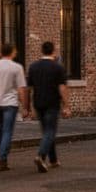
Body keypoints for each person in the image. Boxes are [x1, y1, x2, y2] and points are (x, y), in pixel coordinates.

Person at [0, 43, 29, 171]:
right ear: (12, 52)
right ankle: (2, 157)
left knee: (1, 129)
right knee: (7, 131)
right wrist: (25, 106)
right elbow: (21, 89)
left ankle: (3, 155)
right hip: (10, 104)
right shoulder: (16, 67)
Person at [27, 40, 70, 172]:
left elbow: (28, 88)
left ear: (42, 51)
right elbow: (62, 88)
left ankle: (53, 160)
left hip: (38, 102)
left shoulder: (33, 67)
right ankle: (41, 156)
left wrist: (27, 106)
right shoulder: (58, 68)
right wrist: (66, 105)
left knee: (47, 131)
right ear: (53, 51)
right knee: (50, 131)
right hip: (52, 103)